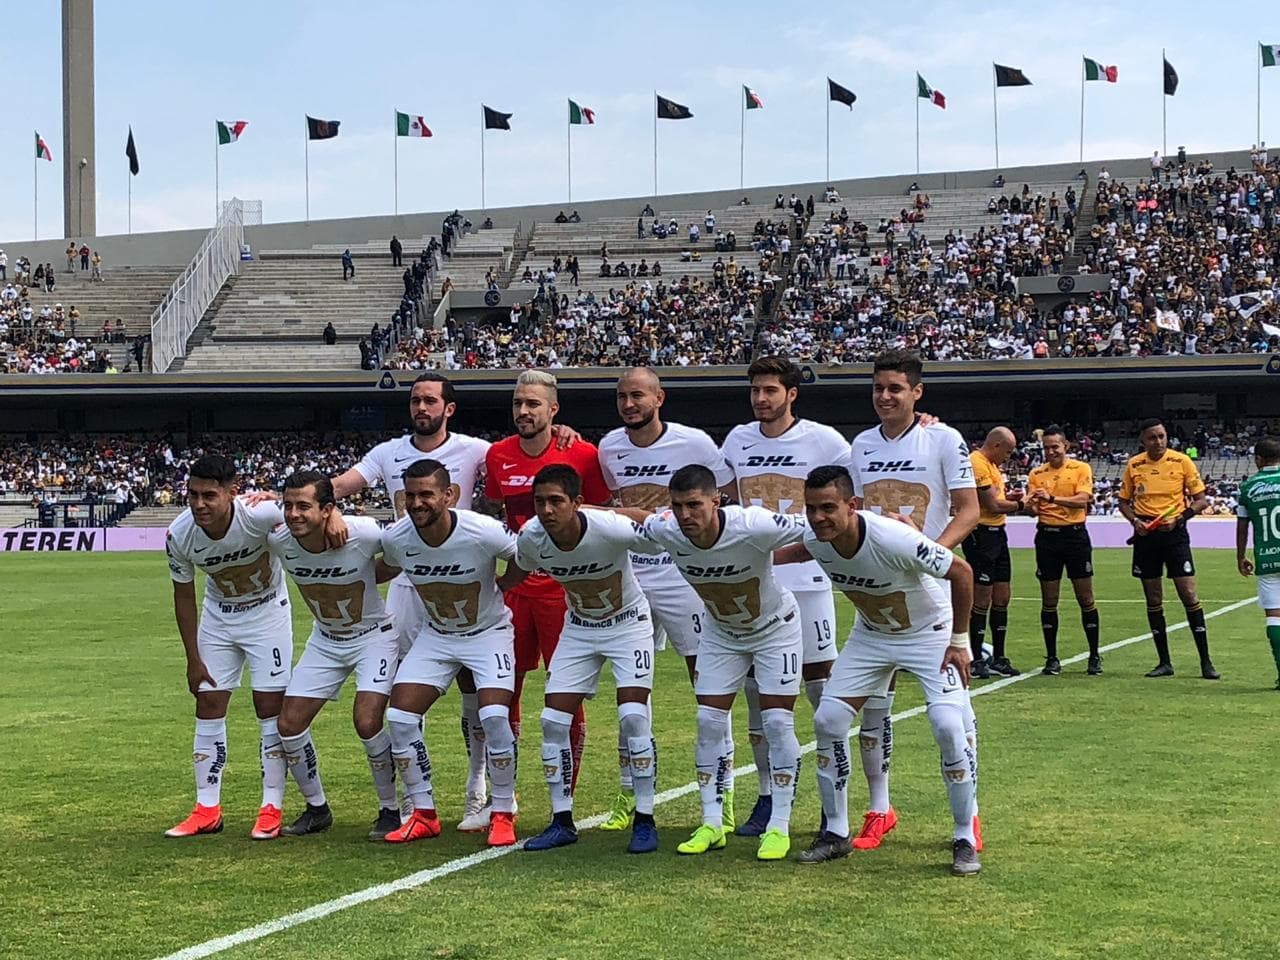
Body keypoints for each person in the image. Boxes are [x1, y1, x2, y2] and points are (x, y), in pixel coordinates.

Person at [777, 466, 979, 874]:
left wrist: (959, 643)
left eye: (828, 508)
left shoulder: (892, 537)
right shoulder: (815, 538)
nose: (818, 518)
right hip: (871, 635)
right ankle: (835, 832)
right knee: (829, 720)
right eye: (811, 509)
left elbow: (962, 572)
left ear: (852, 506)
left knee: (947, 725)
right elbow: (790, 552)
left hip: (928, 633)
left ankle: (964, 835)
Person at [328, 372, 494, 829]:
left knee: (472, 687)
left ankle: (477, 787)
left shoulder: (476, 450)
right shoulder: (387, 453)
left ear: (449, 409)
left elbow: (525, 462)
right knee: (399, 692)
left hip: (463, 583)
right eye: (415, 401)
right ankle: (412, 795)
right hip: (406, 584)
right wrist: (329, 503)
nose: (421, 408)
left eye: (430, 401)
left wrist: (561, 432)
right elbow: (338, 486)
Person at [640, 465, 808, 862]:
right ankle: (712, 822)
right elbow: (636, 520)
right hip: (721, 634)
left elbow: (818, 526)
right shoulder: (667, 529)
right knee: (707, 720)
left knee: (778, 722)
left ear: (717, 500)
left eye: (694, 505)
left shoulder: (753, 524)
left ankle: (779, 826)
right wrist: (589, 510)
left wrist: (886, 524)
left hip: (775, 628)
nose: (685, 515)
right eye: (678, 506)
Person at [847, 349, 979, 851]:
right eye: (878, 387)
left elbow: (968, 510)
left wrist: (931, 555)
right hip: (877, 595)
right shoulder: (860, 445)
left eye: (895, 388)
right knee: (873, 705)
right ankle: (879, 808)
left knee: (952, 710)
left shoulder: (943, 438)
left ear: (917, 393)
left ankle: (971, 814)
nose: (884, 396)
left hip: (934, 591)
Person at [595, 368, 736, 832]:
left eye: (638, 395)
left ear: (660, 397)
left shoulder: (695, 443)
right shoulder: (608, 446)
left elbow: (727, 496)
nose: (629, 403)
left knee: (707, 683)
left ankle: (722, 793)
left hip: (682, 578)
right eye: (621, 397)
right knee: (631, 690)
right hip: (631, 576)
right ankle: (631, 793)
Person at [719, 356, 850, 837]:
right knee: (758, 698)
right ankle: (768, 797)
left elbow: (851, 499)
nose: (761, 399)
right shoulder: (737, 439)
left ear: (792, 394)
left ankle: (830, 802)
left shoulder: (825, 440)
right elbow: (726, 504)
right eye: (755, 390)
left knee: (821, 694)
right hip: (758, 587)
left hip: (810, 584)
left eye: (770, 390)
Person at [163, 455, 315, 841]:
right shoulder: (179, 534)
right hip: (219, 618)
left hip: (267, 615)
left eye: (210, 495)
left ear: (232, 492)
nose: (200, 504)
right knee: (208, 704)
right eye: (193, 495)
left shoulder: (260, 515)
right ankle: (206, 809)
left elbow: (308, 513)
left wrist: (279, 503)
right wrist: (192, 658)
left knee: (269, 709)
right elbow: (183, 597)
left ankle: (271, 807)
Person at [378, 459, 526, 847]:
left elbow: (523, 556)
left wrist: (503, 585)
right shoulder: (398, 538)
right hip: (438, 635)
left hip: (488, 633)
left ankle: (501, 811)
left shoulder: (482, 531)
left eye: (426, 494)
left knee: (493, 716)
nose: (417, 502)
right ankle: (424, 813)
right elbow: (383, 567)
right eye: (410, 495)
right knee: (399, 717)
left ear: (449, 495)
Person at [517, 465, 664, 854]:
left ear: (578, 503)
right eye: (539, 502)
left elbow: (655, 536)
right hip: (580, 627)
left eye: (556, 501)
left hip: (628, 622)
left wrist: (626, 513)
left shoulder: (609, 528)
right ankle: (561, 820)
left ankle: (645, 819)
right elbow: (519, 565)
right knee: (551, 721)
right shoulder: (532, 537)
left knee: (634, 716)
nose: (546, 510)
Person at [484, 371, 610, 806]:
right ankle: (506, 796)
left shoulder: (583, 454)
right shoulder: (497, 455)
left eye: (534, 404)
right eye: (518, 403)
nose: (524, 411)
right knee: (506, 687)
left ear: (553, 410)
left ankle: (565, 799)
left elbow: (601, 514)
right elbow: (493, 513)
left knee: (566, 692)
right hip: (517, 591)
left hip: (564, 592)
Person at [269, 471, 401, 839]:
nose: (293, 514)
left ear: (327, 509)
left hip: (373, 636)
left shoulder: (362, 534)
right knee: (289, 725)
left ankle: (391, 809)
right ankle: (317, 809)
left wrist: (341, 520)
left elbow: (405, 546)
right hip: (325, 640)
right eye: (288, 506)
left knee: (367, 721)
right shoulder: (279, 539)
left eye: (304, 506)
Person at [1117, 418, 1218, 679]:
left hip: (1175, 534)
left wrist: (1179, 519)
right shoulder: (1134, 464)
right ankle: (1164, 662)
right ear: (1143, 440)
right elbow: (1124, 502)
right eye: (1152, 437)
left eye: (1162, 436)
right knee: (1153, 598)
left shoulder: (1181, 461)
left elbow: (1201, 500)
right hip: (1146, 537)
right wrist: (1135, 521)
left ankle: (1206, 662)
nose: (1158, 441)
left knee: (1188, 593)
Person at [1026, 426, 1101, 675]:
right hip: (1047, 537)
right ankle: (1052, 658)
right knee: (1049, 600)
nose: (1050, 452)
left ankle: (1094, 655)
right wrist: (1028, 504)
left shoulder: (1081, 469)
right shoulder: (1036, 473)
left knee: (1085, 598)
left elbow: (1083, 499)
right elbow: (1034, 508)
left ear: (1065, 446)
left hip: (1075, 536)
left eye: (1055, 447)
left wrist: (1051, 500)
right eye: (1046, 448)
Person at [962, 427, 1023, 679]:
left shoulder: (992, 466)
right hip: (981, 535)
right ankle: (976, 659)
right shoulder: (976, 462)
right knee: (982, 598)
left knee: (1002, 597)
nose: (1008, 456)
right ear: (996, 445)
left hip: (997, 533)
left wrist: (1011, 497)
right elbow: (992, 505)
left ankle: (998, 656)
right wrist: (1021, 505)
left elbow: (998, 500)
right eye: (1007, 451)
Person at [1235, 437, 1280, 689]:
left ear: (1258, 459)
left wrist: (1240, 556)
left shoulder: (1248, 487)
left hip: (1267, 558)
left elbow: (1242, 526)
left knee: (1274, 616)